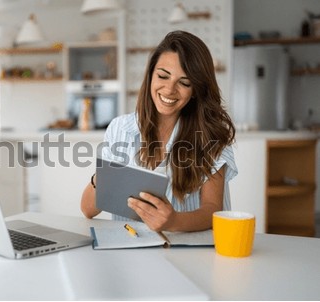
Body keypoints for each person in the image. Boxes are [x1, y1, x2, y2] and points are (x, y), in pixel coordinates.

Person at [80, 30, 237, 233]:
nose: (170, 89)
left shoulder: (210, 136)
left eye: (184, 82)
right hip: (128, 250)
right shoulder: (120, 129)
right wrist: (102, 177)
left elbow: (213, 210)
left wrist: (173, 222)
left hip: (186, 253)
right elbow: (87, 210)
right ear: (151, 75)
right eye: (163, 76)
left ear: (196, 90)